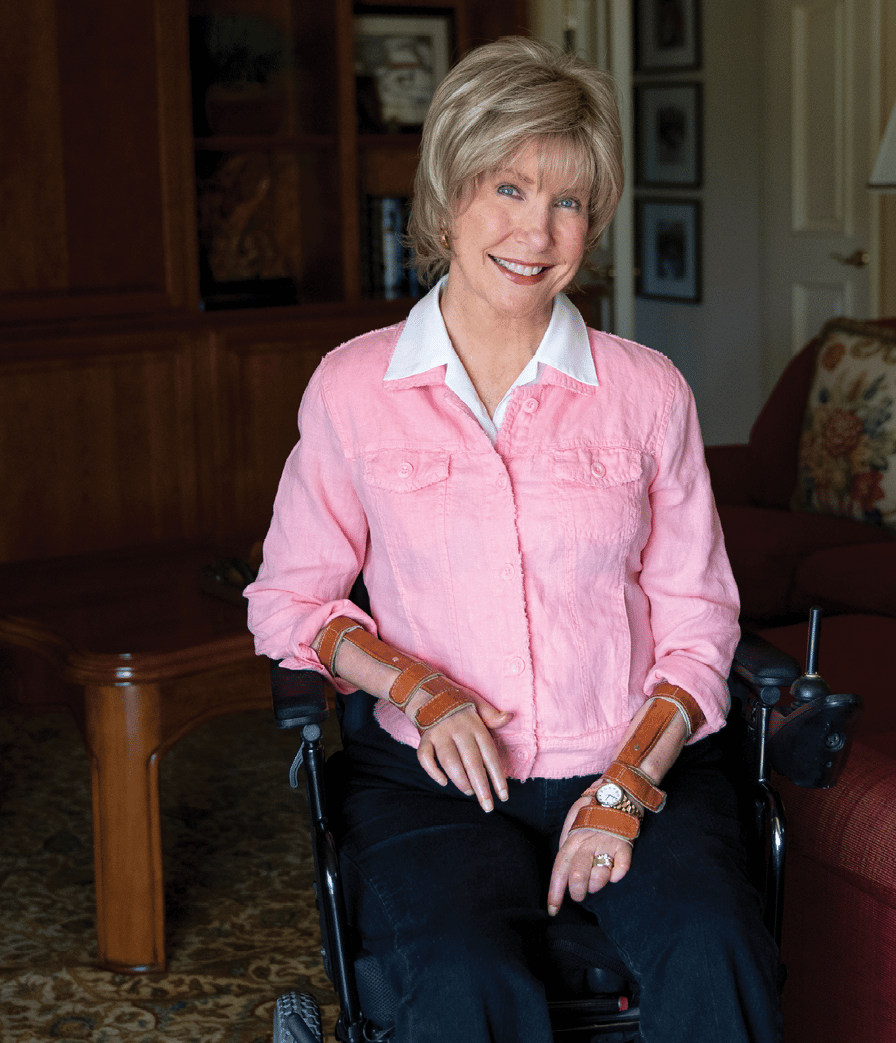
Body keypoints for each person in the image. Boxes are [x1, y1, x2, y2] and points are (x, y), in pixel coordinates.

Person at [246, 35, 782, 1043]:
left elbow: (699, 623)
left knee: (715, 945)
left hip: (630, 759)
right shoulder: (354, 388)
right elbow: (290, 602)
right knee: (460, 978)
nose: (537, 232)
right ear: (447, 197)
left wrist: (625, 786)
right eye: (508, 187)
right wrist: (419, 687)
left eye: (567, 202)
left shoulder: (646, 391)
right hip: (428, 782)